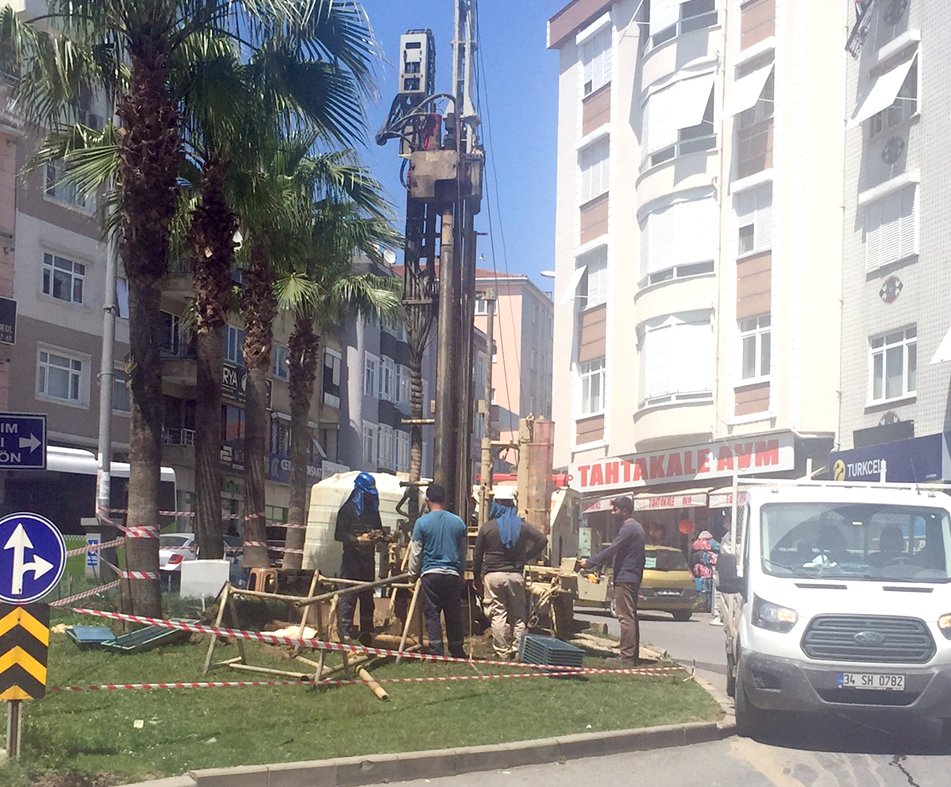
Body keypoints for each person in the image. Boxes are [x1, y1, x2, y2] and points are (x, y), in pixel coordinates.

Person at [473, 489, 548, 658]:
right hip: (516, 576)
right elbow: (542, 540)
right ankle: (518, 650)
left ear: (496, 505)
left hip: (493, 577)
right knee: (518, 616)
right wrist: (527, 556)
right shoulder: (522, 526)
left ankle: (502, 652)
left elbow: (477, 556)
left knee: (498, 614)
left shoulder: (487, 528)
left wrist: (477, 577)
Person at [579, 496, 646, 666]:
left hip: (625, 577)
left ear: (624, 511)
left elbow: (612, 549)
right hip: (632, 576)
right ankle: (632, 654)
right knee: (631, 616)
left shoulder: (628, 528)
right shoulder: (636, 528)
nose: (612, 512)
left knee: (625, 617)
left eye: (615, 509)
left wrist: (590, 562)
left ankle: (626, 657)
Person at [408, 484, 468, 658]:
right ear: (444, 500)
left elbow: (416, 552)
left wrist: (412, 576)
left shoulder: (422, 523)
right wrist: (461, 573)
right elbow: (462, 552)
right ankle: (457, 650)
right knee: (453, 613)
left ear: (427, 500)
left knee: (432, 613)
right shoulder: (458, 522)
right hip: (452, 574)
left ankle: (436, 652)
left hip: (430, 574)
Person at [334, 472, 384, 643]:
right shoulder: (347, 510)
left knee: (367, 595)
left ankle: (367, 631)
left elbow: (379, 528)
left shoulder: (372, 511)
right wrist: (357, 539)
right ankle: (345, 630)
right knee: (348, 595)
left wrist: (378, 536)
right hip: (351, 559)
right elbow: (338, 534)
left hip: (368, 558)